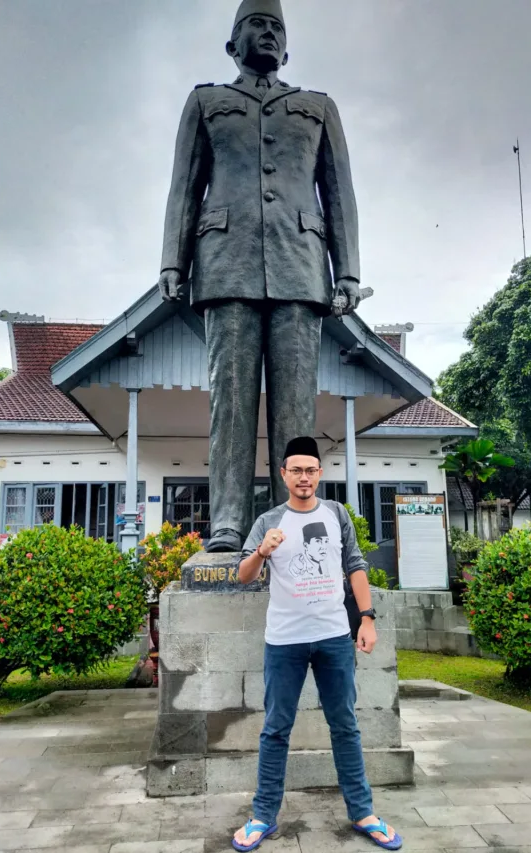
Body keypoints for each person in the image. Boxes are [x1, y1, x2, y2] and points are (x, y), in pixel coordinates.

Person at [158, 0, 362, 553]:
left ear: (287, 48)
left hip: (300, 266)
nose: (267, 34)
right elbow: (185, 186)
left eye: (276, 28)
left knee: (297, 406)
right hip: (226, 263)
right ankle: (227, 522)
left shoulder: (318, 107)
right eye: (256, 25)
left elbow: (338, 193)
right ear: (232, 43)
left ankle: (292, 518)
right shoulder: (207, 101)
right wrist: (173, 262)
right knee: (231, 401)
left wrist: (348, 272)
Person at [232, 436, 402, 852]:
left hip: (333, 638)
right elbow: (243, 576)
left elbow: (355, 566)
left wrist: (366, 618)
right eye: (297, 470)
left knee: (345, 725)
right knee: (276, 729)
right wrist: (261, 551)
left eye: (311, 470)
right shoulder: (269, 521)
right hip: (285, 641)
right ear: (284, 474)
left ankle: (362, 811)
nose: (304, 477)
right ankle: (263, 816)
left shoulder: (336, 513)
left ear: (319, 475)